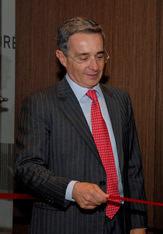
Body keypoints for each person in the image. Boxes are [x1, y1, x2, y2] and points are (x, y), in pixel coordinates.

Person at [15, 17, 147, 234]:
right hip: (65, 224)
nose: (94, 66)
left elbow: (133, 168)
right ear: (62, 58)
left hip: (118, 224)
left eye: (100, 56)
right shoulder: (40, 103)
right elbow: (27, 168)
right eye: (83, 58)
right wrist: (72, 189)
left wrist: (138, 224)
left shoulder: (120, 100)